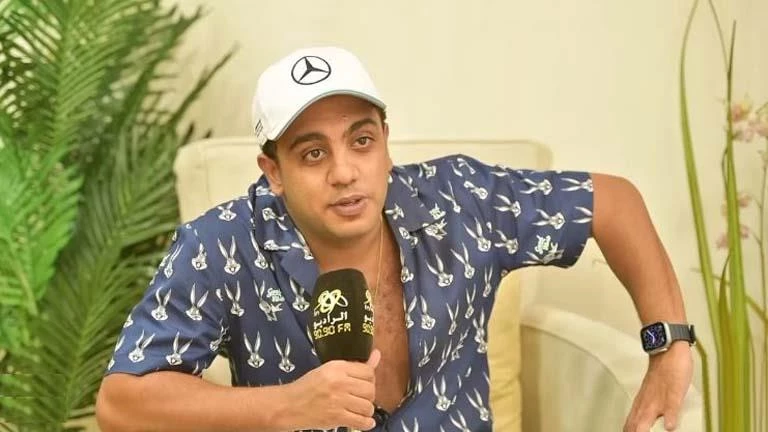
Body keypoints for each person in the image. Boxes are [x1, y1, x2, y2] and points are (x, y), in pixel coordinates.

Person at [95, 46, 694, 432]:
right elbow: (121, 401)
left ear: (385, 140)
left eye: (361, 141)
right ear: (273, 171)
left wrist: (668, 346)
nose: (344, 172)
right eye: (312, 153)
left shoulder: (461, 201)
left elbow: (612, 201)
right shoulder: (223, 244)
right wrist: (286, 406)